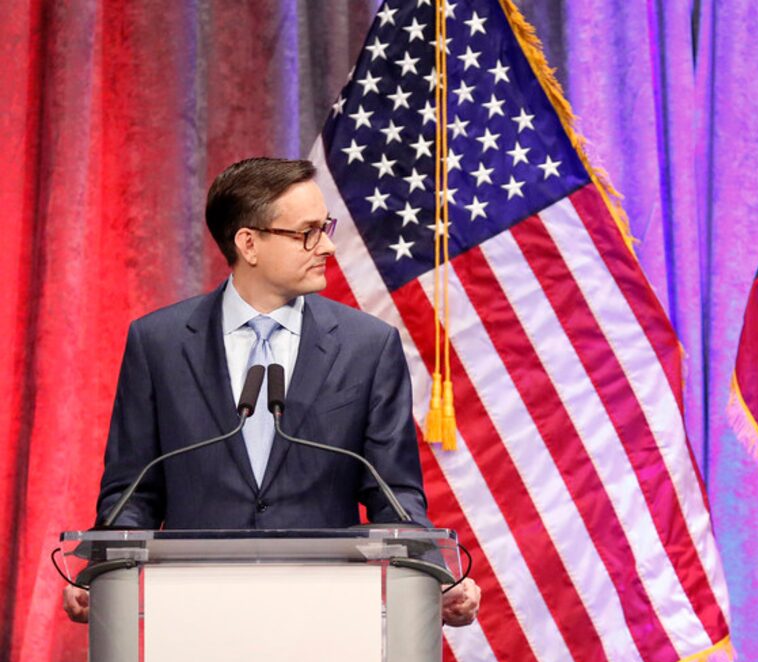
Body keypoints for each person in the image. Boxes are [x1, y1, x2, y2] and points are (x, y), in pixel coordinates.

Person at [62, 157, 480, 626]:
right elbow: (133, 491)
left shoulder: (368, 346)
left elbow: (394, 494)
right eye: (307, 232)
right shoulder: (158, 343)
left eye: (325, 227)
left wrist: (436, 576)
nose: (327, 246)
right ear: (249, 243)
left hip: (325, 615)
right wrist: (100, 574)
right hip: (195, 617)